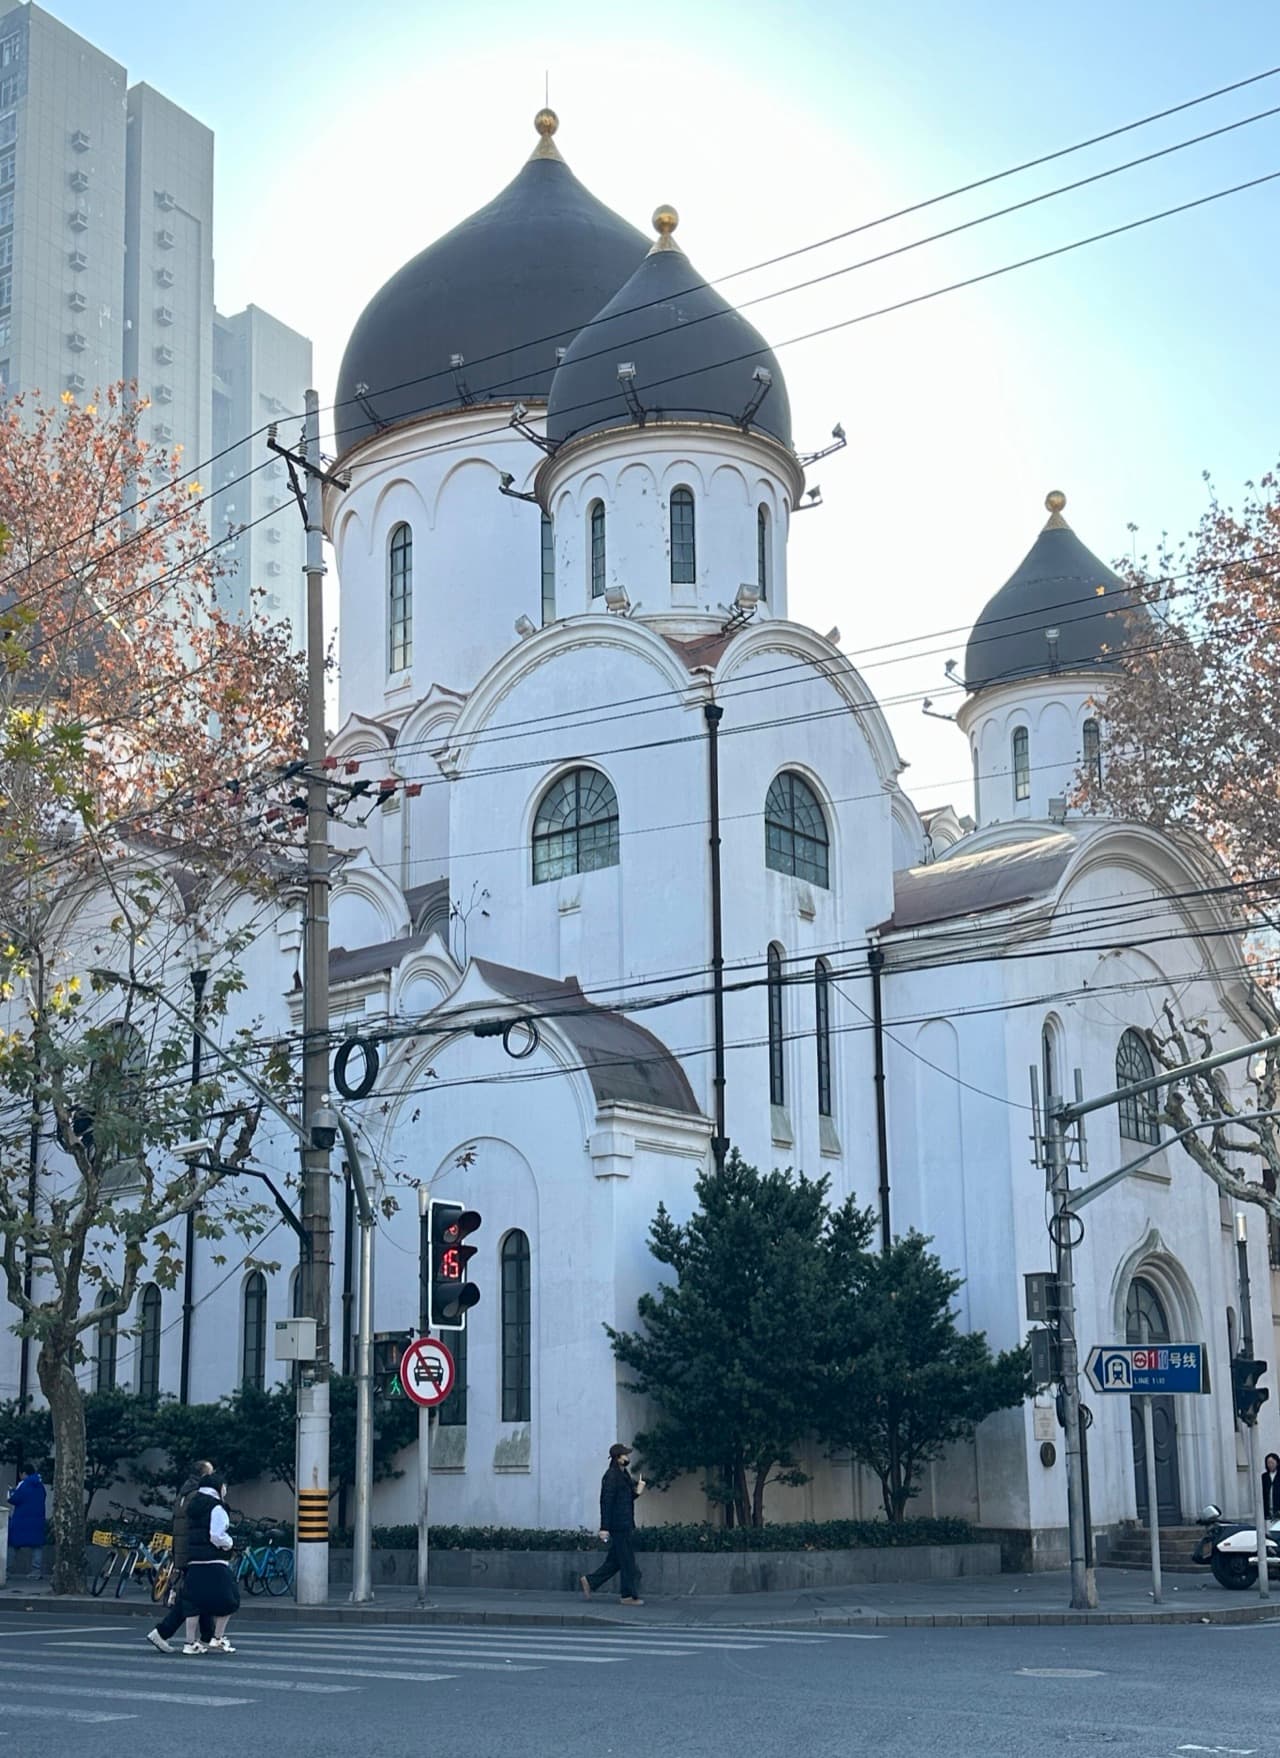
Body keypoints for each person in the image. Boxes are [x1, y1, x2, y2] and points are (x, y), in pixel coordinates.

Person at [146, 1460, 217, 1654]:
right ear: (204, 1475)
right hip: (194, 1552)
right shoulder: (198, 1495)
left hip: (183, 1551)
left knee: (200, 1595)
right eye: (211, 1473)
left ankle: (207, 1637)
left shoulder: (183, 1493)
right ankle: (162, 1632)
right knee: (193, 1598)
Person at [177, 1475, 240, 1655]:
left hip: (195, 1560)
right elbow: (216, 1536)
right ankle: (217, 1638)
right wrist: (229, 1543)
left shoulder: (193, 1506)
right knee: (230, 1599)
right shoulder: (216, 1507)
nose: (225, 1490)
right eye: (224, 1487)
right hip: (215, 1561)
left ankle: (190, 1643)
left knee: (193, 1602)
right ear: (218, 1488)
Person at [579, 1442, 646, 1605]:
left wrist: (638, 1490)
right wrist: (604, 1528)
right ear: (618, 1458)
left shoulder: (624, 1475)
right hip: (619, 1526)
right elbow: (606, 1502)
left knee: (615, 1561)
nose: (628, 1457)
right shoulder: (611, 1476)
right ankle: (627, 1596)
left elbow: (628, 1497)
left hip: (625, 1523)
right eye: (625, 1455)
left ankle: (590, 1581)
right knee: (628, 1563)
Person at [6, 1465, 46, 1581]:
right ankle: (36, 1570)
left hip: (21, 1519)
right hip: (37, 1519)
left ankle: (5, 1570)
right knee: (37, 1545)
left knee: (13, 1544)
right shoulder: (40, 1485)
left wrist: (12, 1491)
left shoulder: (24, 1484)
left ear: (24, 1473)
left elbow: (14, 1499)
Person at [1263, 1453, 1280, 1521]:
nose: (1270, 1465)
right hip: (1268, 1510)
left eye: (1272, 1462)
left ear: (1277, 1463)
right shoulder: (1264, 1476)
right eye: (1268, 1463)